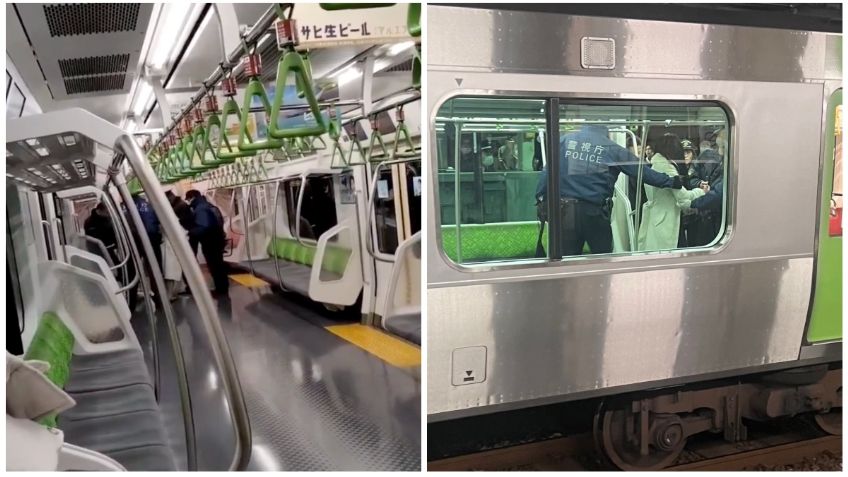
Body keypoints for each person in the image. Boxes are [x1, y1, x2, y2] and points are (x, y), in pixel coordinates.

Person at [535, 124, 686, 255]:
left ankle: (565, 288)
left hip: (564, 212)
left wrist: (541, 198)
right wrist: (672, 181)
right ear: (606, 132)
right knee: (602, 260)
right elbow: (642, 172)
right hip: (595, 213)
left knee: (565, 261)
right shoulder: (611, 148)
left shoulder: (564, 142)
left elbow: (547, 172)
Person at [637, 133, 707, 251]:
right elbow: (683, 197)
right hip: (666, 220)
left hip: (656, 217)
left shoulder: (654, 164)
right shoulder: (666, 167)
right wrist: (701, 191)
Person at [185, 189, 229, 297]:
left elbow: (203, 226)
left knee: (215, 266)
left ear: (193, 197)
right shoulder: (207, 205)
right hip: (217, 239)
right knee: (218, 265)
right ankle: (222, 289)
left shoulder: (200, 209)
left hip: (211, 242)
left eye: (188, 199)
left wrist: (189, 232)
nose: (188, 201)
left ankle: (221, 290)